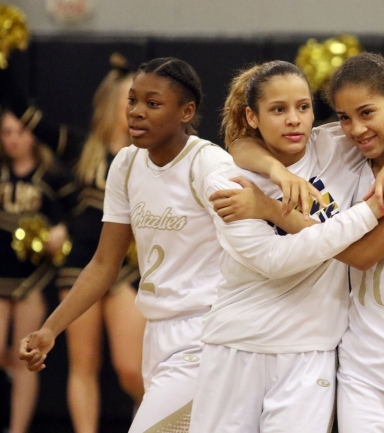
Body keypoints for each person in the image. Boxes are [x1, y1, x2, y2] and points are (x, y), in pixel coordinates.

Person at [188, 59, 384, 433]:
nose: (294, 119)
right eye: (278, 110)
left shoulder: (337, 146)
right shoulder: (228, 180)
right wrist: (369, 209)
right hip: (237, 344)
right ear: (252, 116)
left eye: (303, 107)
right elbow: (278, 260)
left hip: (312, 350)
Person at [18, 57, 232, 433]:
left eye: (152, 103)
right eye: (132, 100)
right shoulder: (126, 165)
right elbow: (104, 263)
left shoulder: (209, 165)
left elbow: (250, 249)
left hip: (208, 335)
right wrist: (51, 329)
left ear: (187, 111)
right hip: (158, 334)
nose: (136, 112)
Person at [1, 55, 146, 433]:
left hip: (124, 266)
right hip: (80, 264)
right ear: (112, 102)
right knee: (83, 366)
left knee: (132, 368)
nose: (137, 108)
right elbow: (27, 115)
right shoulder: (84, 147)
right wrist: (3, 64)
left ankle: (158, 423)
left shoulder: (146, 156)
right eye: (130, 99)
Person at [0, 109, 77, 433]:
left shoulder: (52, 177)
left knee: (22, 359)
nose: (15, 139)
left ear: (33, 134)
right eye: (7, 132)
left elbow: (77, 216)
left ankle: (18, 430)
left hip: (33, 280)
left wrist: (61, 233)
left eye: (21, 131)